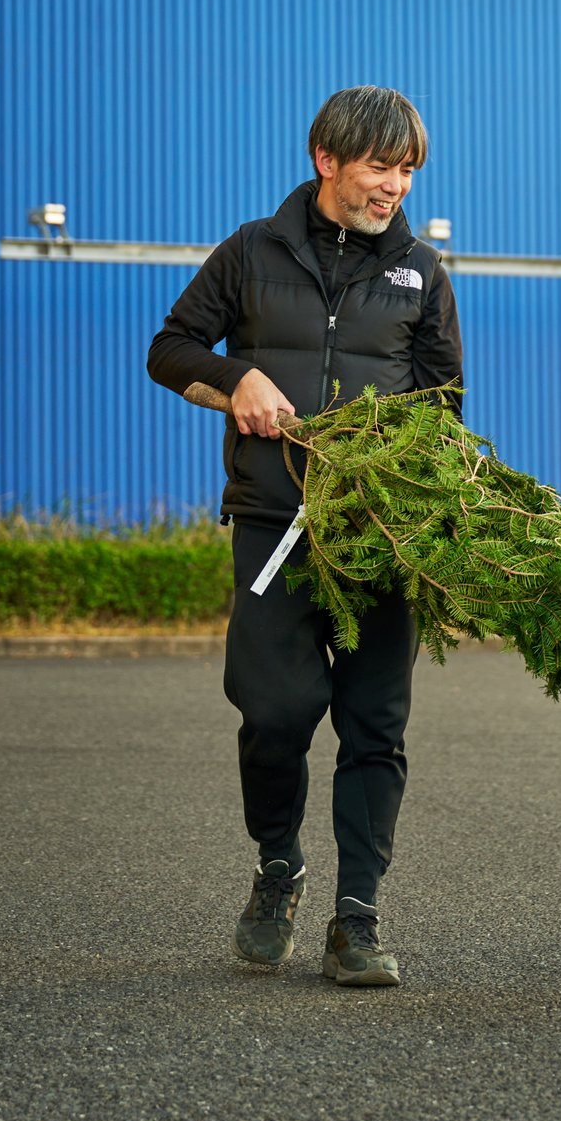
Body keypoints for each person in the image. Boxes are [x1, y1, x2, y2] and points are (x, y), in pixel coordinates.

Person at [147, 85, 463, 988]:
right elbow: (170, 348)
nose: (394, 185)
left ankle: (356, 918)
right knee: (274, 711)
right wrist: (235, 377)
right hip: (273, 526)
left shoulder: (422, 273)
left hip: (376, 538)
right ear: (328, 159)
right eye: (380, 166)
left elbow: (444, 408)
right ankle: (277, 869)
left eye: (407, 170)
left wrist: (419, 498)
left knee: (375, 724)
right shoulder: (252, 250)